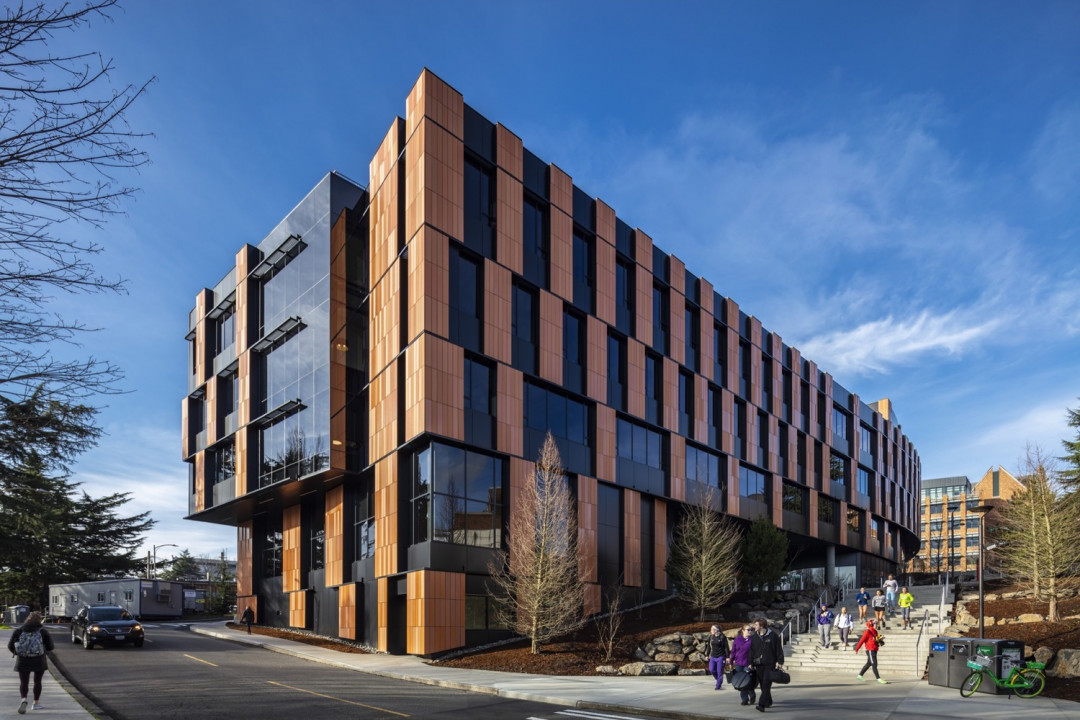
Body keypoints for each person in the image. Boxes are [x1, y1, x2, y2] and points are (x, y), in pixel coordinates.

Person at [7, 611, 55, 714]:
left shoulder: (19, 631)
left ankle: (23, 699)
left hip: (23, 660)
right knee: (37, 681)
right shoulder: (43, 631)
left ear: (27, 619)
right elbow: (51, 647)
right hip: (39, 660)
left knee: (24, 682)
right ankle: (35, 703)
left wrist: (19, 653)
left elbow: (10, 646)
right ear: (39, 620)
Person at [749, 617, 784, 713]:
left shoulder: (773, 636)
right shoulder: (755, 637)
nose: (754, 626)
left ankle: (761, 705)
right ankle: (768, 701)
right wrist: (750, 663)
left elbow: (778, 649)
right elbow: (751, 651)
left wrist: (780, 662)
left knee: (766, 684)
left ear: (762, 625)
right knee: (763, 686)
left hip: (769, 664)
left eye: (756, 625)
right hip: (758, 665)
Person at [730, 624, 756, 707]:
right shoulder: (738, 639)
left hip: (748, 664)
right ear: (743, 631)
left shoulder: (753, 640)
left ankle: (752, 694)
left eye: (751, 630)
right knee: (741, 683)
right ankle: (744, 699)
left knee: (747, 682)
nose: (750, 631)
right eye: (748, 630)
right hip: (738, 664)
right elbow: (733, 651)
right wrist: (731, 661)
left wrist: (752, 663)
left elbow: (755, 653)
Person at [854, 619, 887, 683]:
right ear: (872, 624)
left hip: (874, 649)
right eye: (876, 624)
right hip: (870, 650)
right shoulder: (867, 632)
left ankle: (860, 675)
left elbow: (875, 640)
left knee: (869, 663)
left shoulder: (875, 632)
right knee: (874, 664)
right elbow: (861, 640)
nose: (877, 625)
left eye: (877, 624)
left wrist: (880, 639)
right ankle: (879, 679)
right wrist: (857, 648)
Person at [706, 625, 730, 690]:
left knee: (719, 671)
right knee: (712, 670)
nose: (711, 631)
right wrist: (707, 655)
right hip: (713, 656)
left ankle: (718, 686)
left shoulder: (722, 637)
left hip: (721, 656)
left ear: (716, 630)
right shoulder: (711, 637)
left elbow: (726, 647)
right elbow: (708, 646)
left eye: (712, 630)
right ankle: (719, 680)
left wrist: (727, 657)